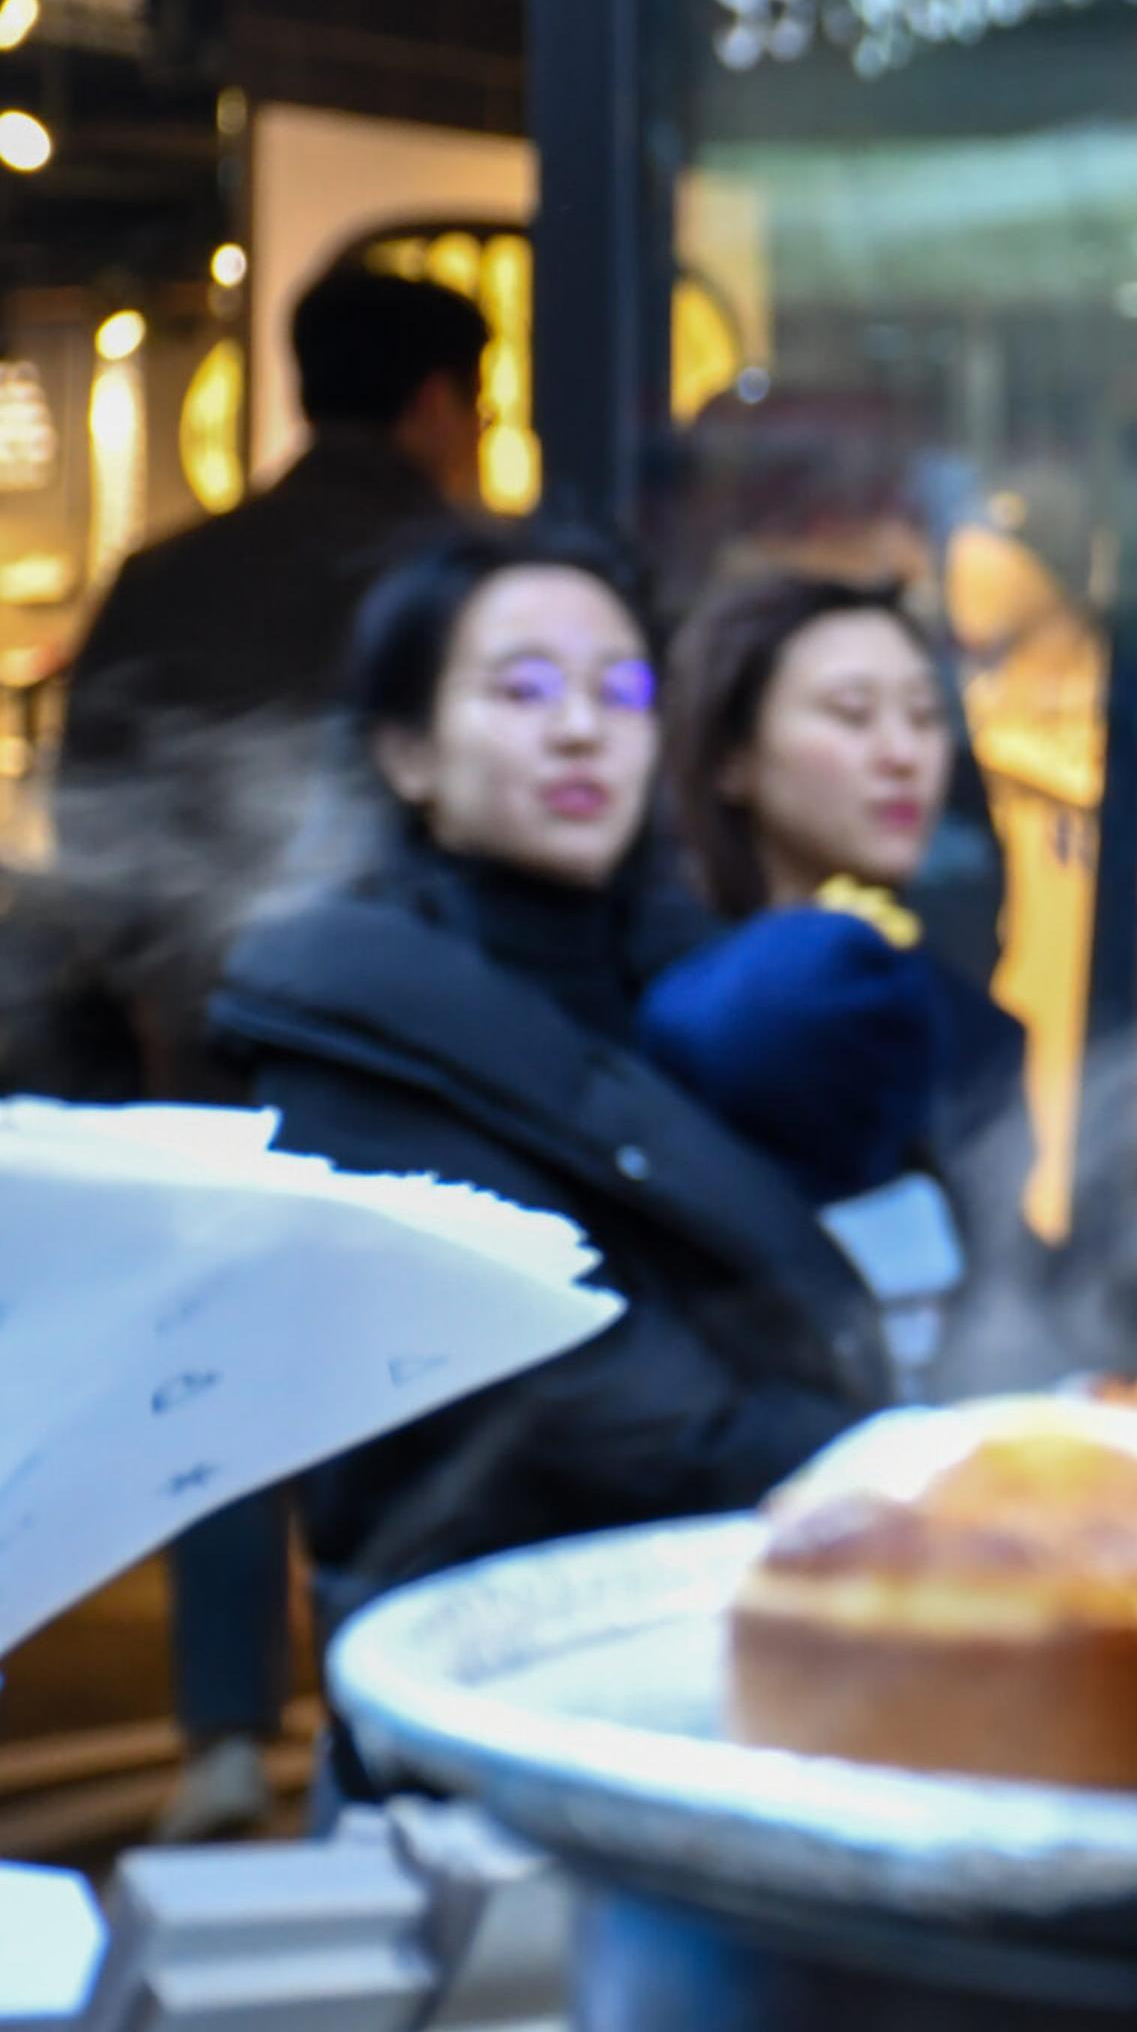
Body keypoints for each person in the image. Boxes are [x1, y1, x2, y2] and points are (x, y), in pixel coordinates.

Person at [206, 526, 888, 1687]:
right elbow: (577, 1381)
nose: (582, 726)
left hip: (735, 1638)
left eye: (621, 689)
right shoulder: (351, 1016)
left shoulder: (709, 991)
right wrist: (884, 1459)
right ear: (408, 751)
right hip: (483, 1679)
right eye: (522, 688)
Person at [56, 266, 483, 1841]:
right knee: (418, 1375)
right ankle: (403, 1720)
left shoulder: (170, 578)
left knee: (228, 1388)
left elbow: (87, 826)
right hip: (430, 1051)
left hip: (211, 1039)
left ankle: (225, 1740)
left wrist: (164, 990)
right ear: (443, 401)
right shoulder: (464, 576)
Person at [645, 574, 1030, 1391]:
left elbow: (1017, 1288)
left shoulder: (961, 1019)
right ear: (732, 759)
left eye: (926, 717)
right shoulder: (665, 1007)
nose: (901, 754)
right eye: (851, 715)